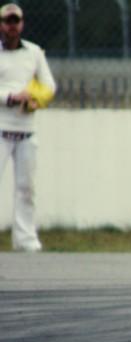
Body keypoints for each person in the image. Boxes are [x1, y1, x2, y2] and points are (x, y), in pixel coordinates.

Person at [0, 3, 55, 252]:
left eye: (16, 21)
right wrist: (12, 97)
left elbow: (49, 86)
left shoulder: (34, 52)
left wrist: (36, 99)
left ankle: (25, 239)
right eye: (7, 21)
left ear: (21, 24)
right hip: (1, 128)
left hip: (26, 130)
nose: (12, 26)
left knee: (26, 188)